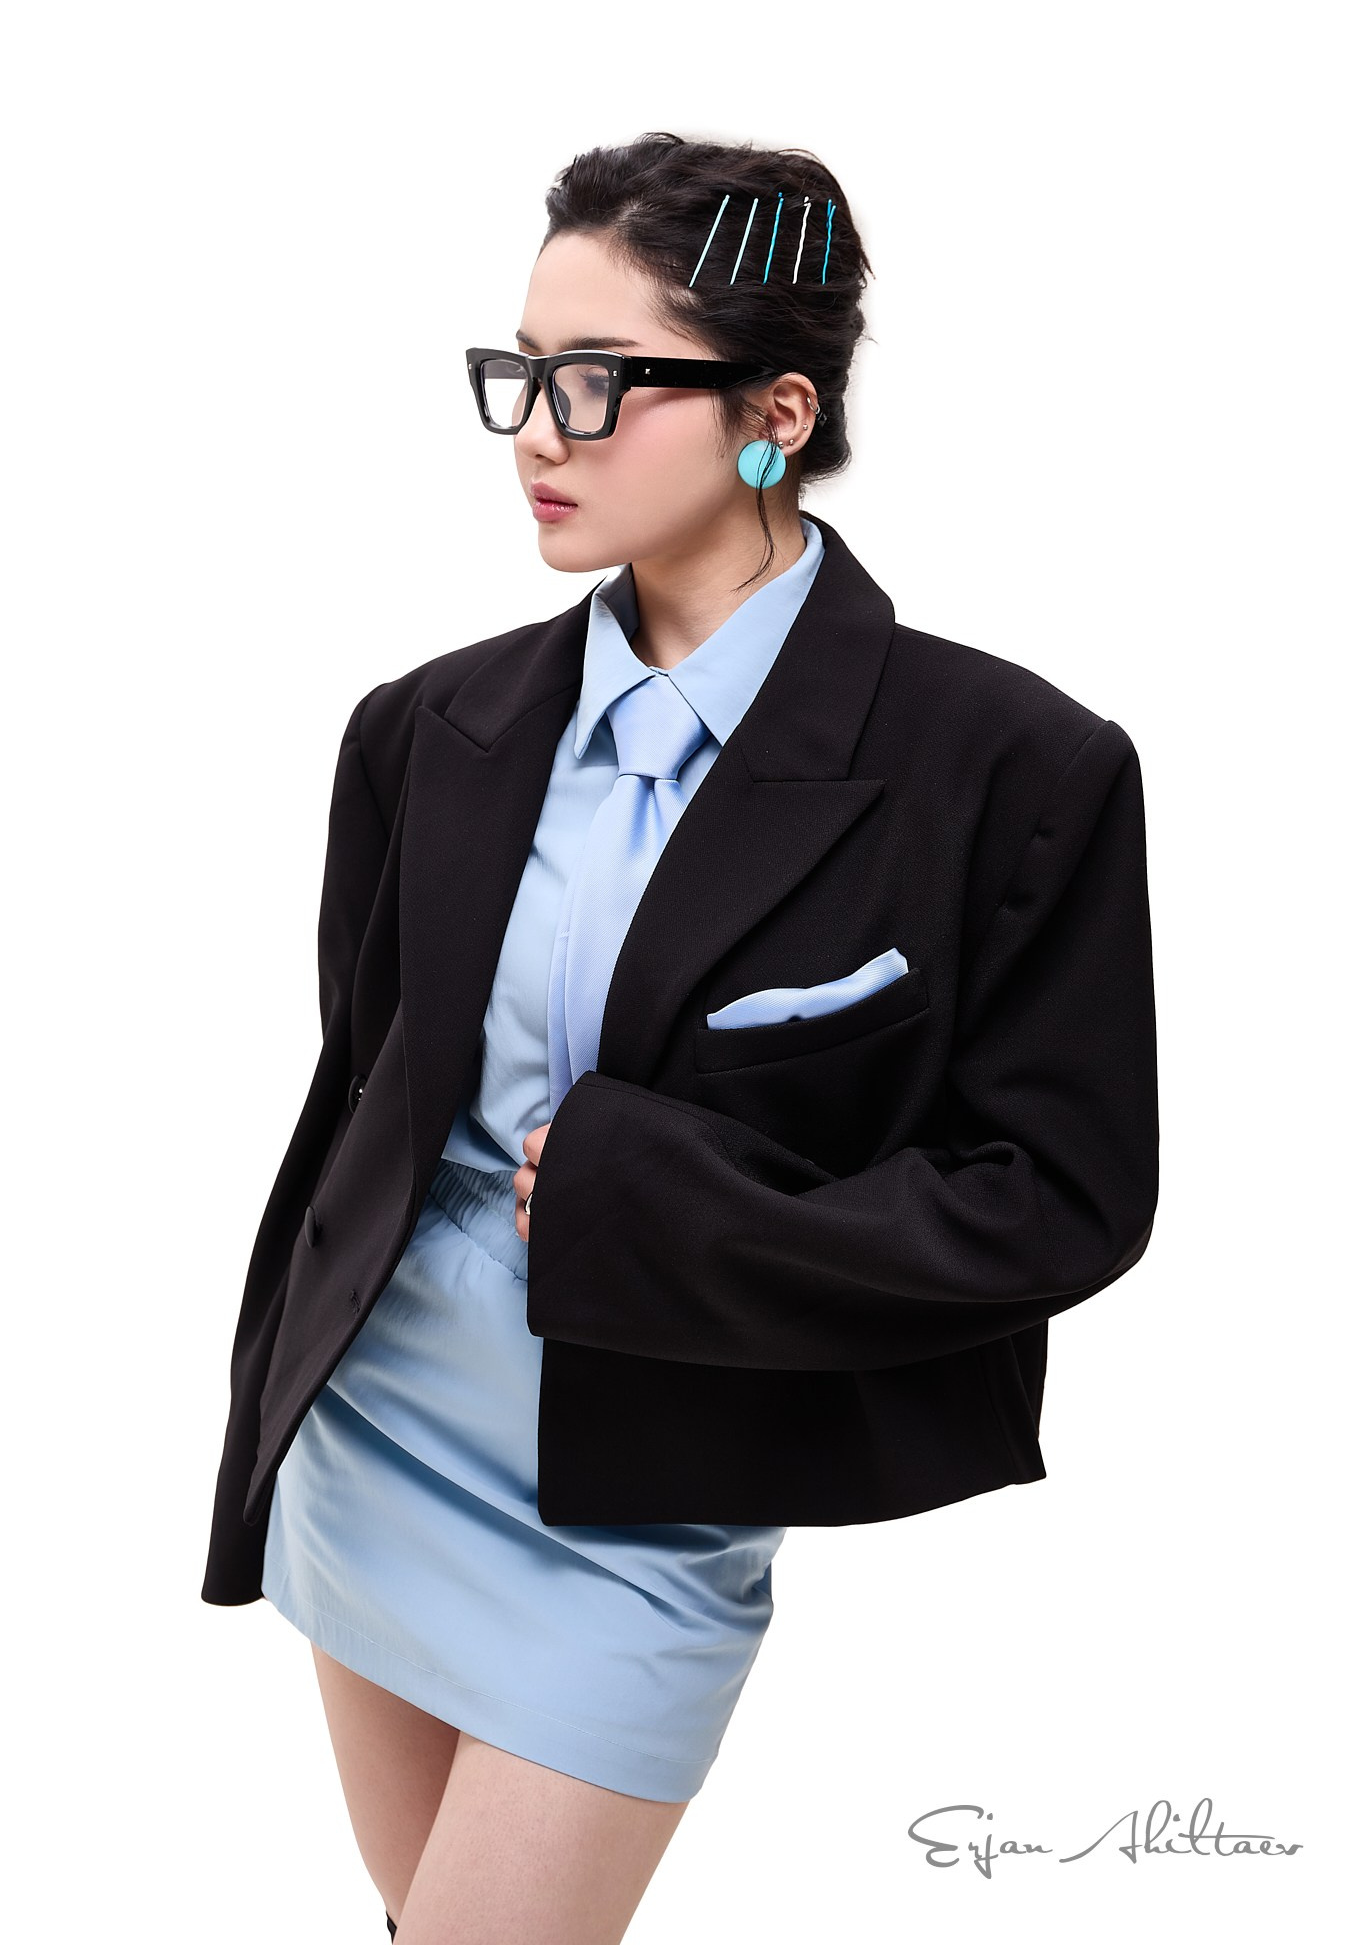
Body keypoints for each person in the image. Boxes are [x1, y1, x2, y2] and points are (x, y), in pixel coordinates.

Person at [201, 131, 1159, 1945]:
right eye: (519, 374)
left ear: (773, 413)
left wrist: (667, 1202)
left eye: (596, 380)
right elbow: (368, 1096)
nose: (535, 432)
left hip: (654, 1484)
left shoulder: (1012, 767)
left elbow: (1060, 1199)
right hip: (380, 1425)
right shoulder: (425, 728)